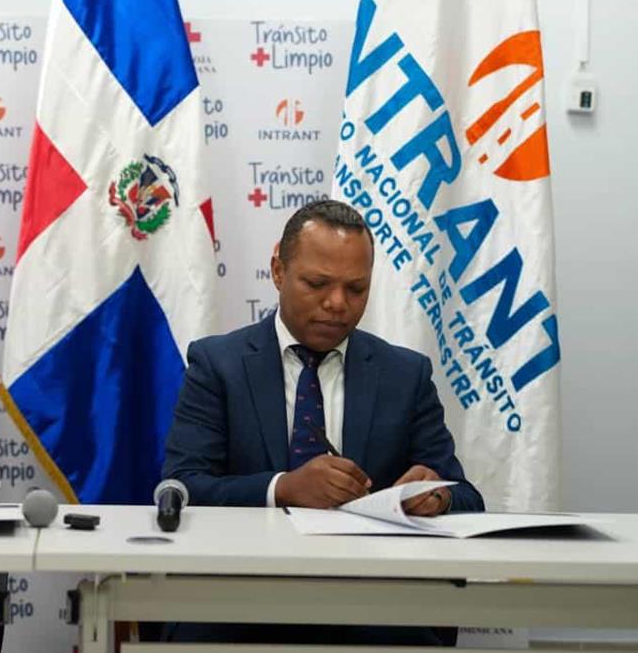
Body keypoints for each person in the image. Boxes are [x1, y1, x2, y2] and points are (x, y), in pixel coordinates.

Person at [161, 199, 483, 646]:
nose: (337, 304)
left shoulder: (405, 375)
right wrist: (283, 488)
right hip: (240, 595)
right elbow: (183, 485)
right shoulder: (218, 364)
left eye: (356, 289)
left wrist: (436, 497)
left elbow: (467, 498)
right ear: (278, 271)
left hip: (373, 600)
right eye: (317, 284)